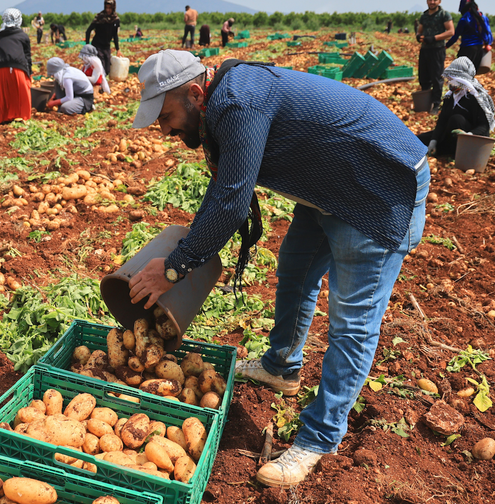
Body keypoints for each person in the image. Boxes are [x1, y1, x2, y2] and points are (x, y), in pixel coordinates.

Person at [128, 50, 429, 487]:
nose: (165, 128)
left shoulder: (236, 102)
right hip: (331, 184)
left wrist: (174, 269)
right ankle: (282, 366)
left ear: (196, 93)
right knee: (295, 270)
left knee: (352, 322)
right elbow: (223, 189)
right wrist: (182, 255)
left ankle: (319, 438)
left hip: (378, 190)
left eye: (168, 115)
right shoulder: (220, 102)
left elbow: (232, 202)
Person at [417, 57, 495, 156]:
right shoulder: (450, 96)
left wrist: (468, 136)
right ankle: (438, 147)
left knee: (457, 119)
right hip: (449, 134)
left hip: (470, 140)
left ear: (462, 80)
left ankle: (449, 152)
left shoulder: (477, 98)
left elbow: (484, 126)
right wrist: (434, 140)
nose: (449, 82)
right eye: (448, 79)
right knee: (419, 139)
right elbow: (442, 122)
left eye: (452, 79)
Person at [0, 9, 32, 125]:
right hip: (18, 67)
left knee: (3, 93)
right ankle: (21, 116)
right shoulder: (22, 36)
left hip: (0, 68)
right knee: (21, 93)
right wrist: (29, 73)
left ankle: (3, 118)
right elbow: (27, 56)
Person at [417, 0, 455, 114]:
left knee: (436, 77)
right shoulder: (424, 15)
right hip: (425, 49)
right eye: (430, 0)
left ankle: (436, 104)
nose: (432, 2)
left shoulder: (444, 15)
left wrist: (434, 38)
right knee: (423, 76)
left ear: (439, 1)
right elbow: (419, 30)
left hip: (437, 50)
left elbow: (451, 31)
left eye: (434, 0)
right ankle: (425, 103)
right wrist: (418, 36)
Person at [446, 0, 493, 71]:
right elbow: (487, 32)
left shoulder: (464, 19)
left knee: (461, 74)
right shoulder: (483, 17)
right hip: (478, 50)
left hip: (466, 50)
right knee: (471, 74)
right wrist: (487, 43)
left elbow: (455, 36)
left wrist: (446, 46)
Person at [85, 0, 121, 75]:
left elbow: (115, 35)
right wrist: (87, 45)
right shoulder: (99, 17)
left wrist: (118, 49)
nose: (108, 10)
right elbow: (88, 31)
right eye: (106, 8)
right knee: (101, 67)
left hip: (106, 46)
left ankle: (100, 83)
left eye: (110, 8)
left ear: (113, 7)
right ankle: (99, 85)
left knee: (107, 69)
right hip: (97, 45)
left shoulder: (116, 20)